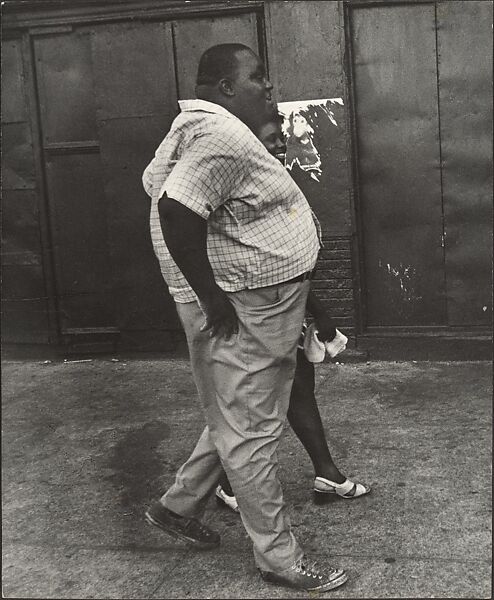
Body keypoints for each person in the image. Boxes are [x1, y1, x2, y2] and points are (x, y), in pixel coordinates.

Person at [142, 43, 349, 593]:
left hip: (252, 301)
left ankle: (179, 507)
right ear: (226, 87)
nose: (268, 87)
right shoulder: (222, 137)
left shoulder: (193, 127)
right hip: (247, 306)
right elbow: (176, 209)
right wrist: (213, 299)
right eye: (258, 77)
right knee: (253, 430)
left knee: (238, 414)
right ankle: (278, 559)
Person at [215, 114, 370, 513]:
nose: (279, 144)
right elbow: (274, 264)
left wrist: (314, 311)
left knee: (293, 390)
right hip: (259, 309)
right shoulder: (243, 190)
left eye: (280, 138)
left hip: (284, 307)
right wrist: (320, 311)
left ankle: (326, 473)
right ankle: (222, 482)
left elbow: (290, 263)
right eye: (268, 139)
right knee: (254, 399)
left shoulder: (273, 184)